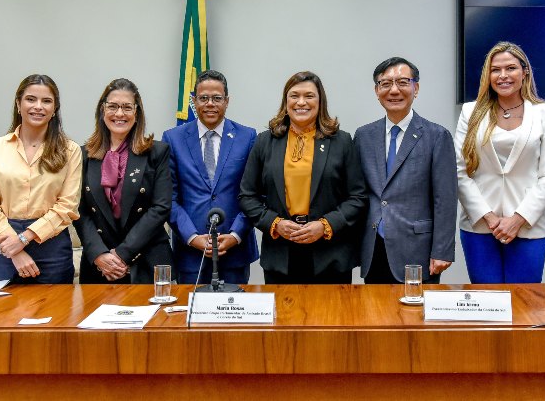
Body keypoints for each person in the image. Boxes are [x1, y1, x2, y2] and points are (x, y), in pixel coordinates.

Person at [239, 71, 367, 284]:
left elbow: (358, 197)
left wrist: (325, 225)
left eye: (309, 96)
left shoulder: (341, 141)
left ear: (320, 101)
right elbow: (246, 196)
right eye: (294, 96)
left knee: (331, 317)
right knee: (284, 317)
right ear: (285, 101)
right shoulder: (265, 142)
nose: (301, 102)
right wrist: (275, 223)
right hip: (281, 254)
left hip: (331, 255)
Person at [455, 42, 545, 283]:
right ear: (488, 75)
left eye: (511, 68)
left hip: (529, 225)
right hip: (480, 226)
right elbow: (459, 171)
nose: (503, 76)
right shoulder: (470, 112)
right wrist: (490, 218)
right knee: (487, 305)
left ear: (524, 72)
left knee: (526, 304)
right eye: (495, 70)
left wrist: (517, 219)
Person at [354, 57, 456, 284]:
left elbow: (445, 199)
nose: (394, 90)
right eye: (386, 83)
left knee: (415, 316)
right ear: (376, 90)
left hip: (417, 248)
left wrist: (442, 250)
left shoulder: (437, 136)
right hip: (374, 246)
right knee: (375, 316)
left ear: (415, 88)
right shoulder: (363, 136)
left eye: (402, 82)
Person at [0, 74, 81, 283]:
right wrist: (14, 249)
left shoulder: (70, 150)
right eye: (31, 99)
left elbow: (67, 206)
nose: (38, 106)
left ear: (54, 109)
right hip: (3, 243)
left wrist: (24, 238)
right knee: (2, 313)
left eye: (47, 101)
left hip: (52, 245)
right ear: (18, 104)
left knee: (56, 313)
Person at [162, 70, 258, 284]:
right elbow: (169, 198)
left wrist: (235, 235)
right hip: (190, 253)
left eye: (217, 98)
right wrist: (192, 237)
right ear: (194, 101)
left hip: (235, 251)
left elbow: (254, 194)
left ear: (227, 101)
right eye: (203, 98)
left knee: (234, 315)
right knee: (192, 315)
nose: (210, 104)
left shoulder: (248, 137)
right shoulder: (173, 138)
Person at [74, 78, 173, 284]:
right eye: (113, 106)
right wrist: (100, 255)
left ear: (137, 113)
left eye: (127, 107)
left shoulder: (157, 152)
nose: (119, 114)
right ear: (102, 111)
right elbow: (79, 211)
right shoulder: (83, 155)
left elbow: (161, 207)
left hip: (146, 261)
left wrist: (122, 254)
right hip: (100, 266)